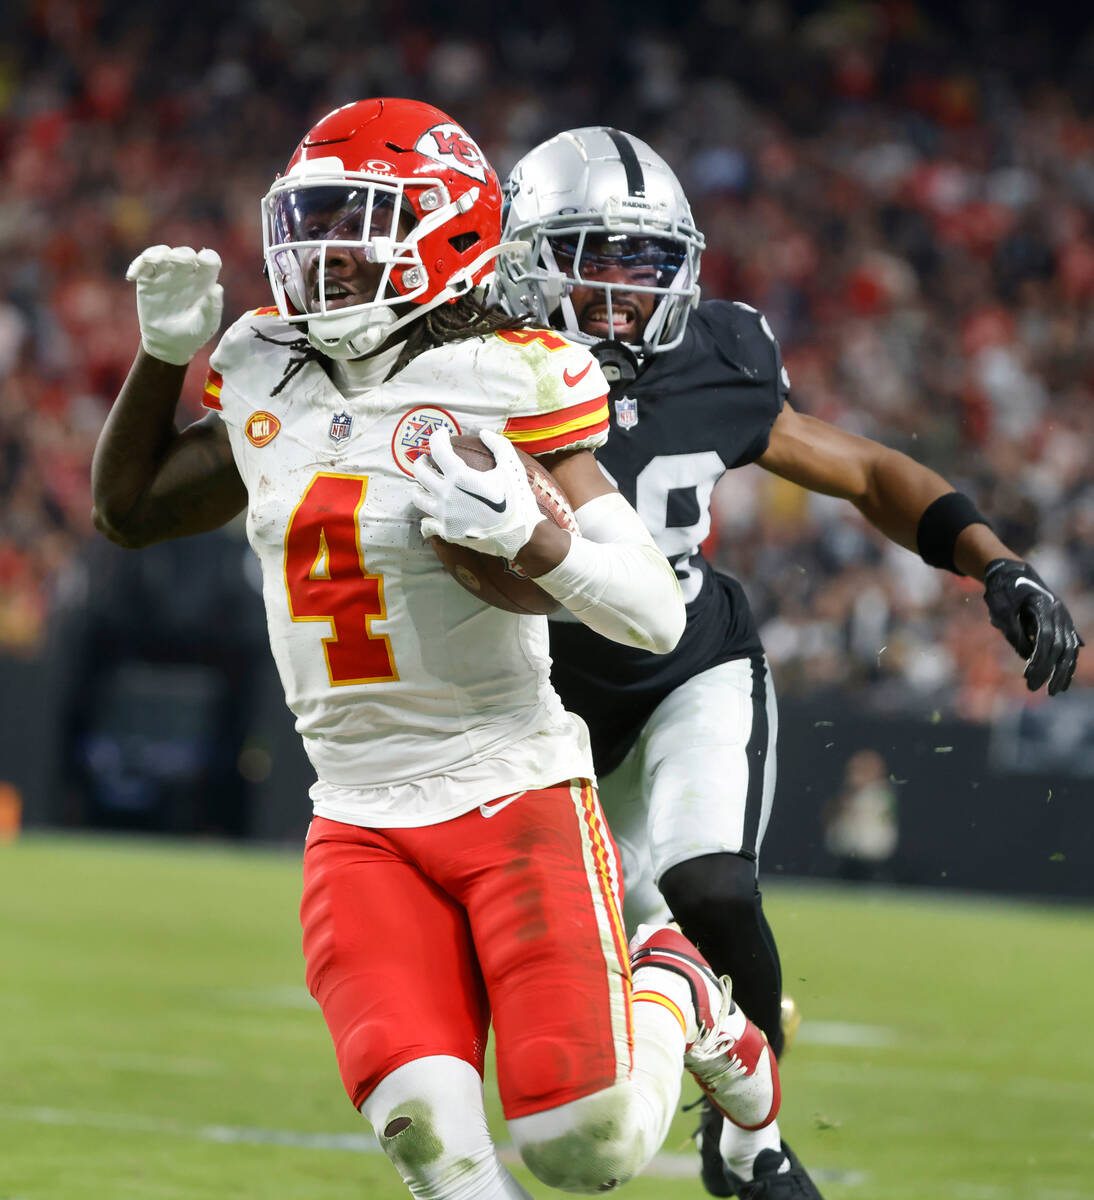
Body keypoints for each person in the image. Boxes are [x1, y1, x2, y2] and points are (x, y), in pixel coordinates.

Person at [91, 97, 788, 1200]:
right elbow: (128, 512)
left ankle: (688, 992)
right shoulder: (266, 364)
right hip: (359, 814)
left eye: (354, 220)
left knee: (585, 1147)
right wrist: (161, 357)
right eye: (309, 219)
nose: (321, 250)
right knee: (431, 1145)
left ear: (448, 229)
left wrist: (534, 538)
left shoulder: (514, 374)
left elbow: (653, 613)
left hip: (511, 789)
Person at [495, 126, 1084, 1199]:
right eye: (592, 255)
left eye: (643, 261)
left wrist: (991, 564)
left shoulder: (714, 356)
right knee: (581, 984)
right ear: (524, 255)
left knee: (710, 885)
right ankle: (723, 1045)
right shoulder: (470, 370)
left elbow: (858, 468)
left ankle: (749, 1149)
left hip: (687, 668)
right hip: (530, 705)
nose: (620, 290)